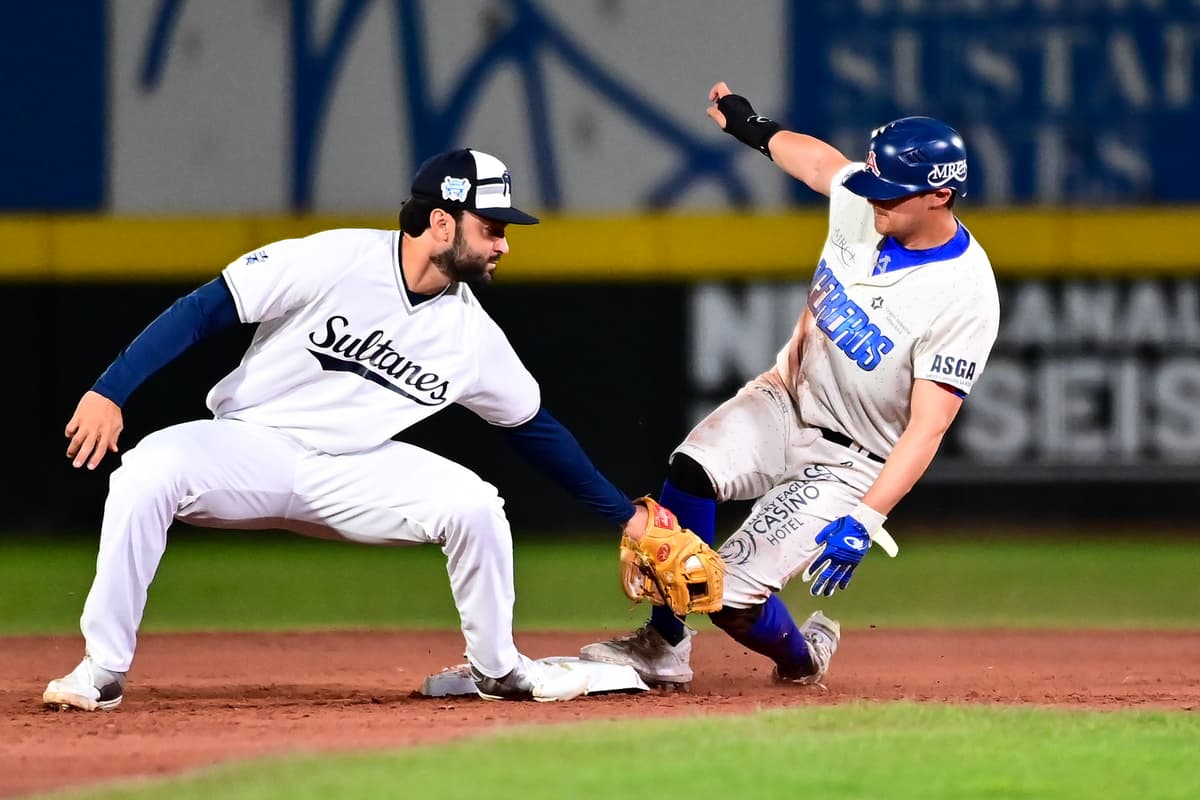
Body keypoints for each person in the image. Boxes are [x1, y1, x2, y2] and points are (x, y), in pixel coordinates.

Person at [44, 148, 655, 710]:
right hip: (249, 444)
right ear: (442, 222)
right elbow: (205, 309)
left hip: (353, 469)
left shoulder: (473, 338)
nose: (503, 244)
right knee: (146, 471)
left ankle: (497, 669)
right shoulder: (336, 258)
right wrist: (110, 389)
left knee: (475, 507)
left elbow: (536, 431)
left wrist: (623, 516)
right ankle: (102, 668)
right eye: (491, 228)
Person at [581, 82, 1000, 687]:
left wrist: (867, 518)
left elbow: (929, 425)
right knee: (691, 469)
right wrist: (751, 125)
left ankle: (802, 659)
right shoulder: (866, 197)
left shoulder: (965, 295)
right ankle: (664, 643)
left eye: (890, 192)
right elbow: (818, 163)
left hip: (853, 458)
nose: (872, 198)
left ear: (940, 194)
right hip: (786, 398)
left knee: (726, 596)